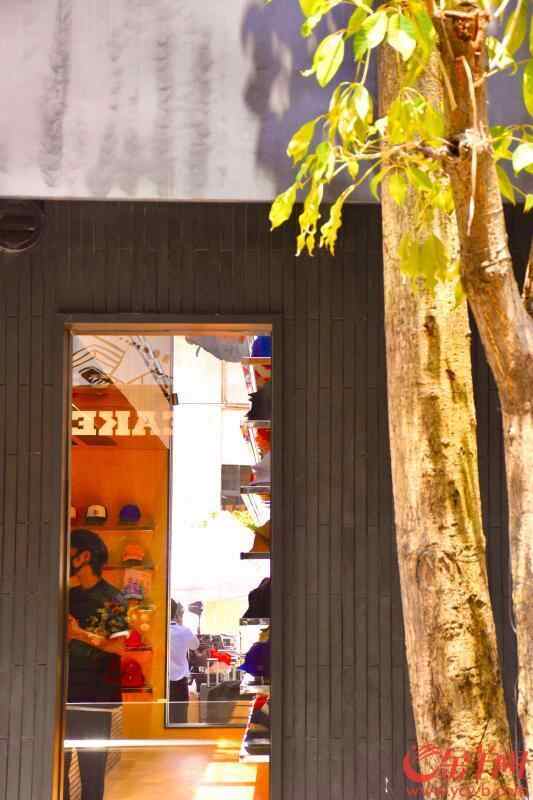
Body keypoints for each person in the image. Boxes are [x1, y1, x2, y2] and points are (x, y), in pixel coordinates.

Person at [64, 529, 128, 800]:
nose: (65, 557)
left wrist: (79, 634)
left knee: (92, 773)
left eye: (70, 551)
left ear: (84, 556)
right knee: (57, 770)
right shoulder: (67, 595)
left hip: (95, 698)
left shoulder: (114, 598)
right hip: (63, 695)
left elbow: (118, 646)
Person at [168, 600, 199, 723]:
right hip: (180, 682)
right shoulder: (183, 631)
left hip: (162, 683)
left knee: (163, 717)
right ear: (176, 613)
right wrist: (181, 624)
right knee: (180, 719)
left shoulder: (158, 631)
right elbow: (195, 645)